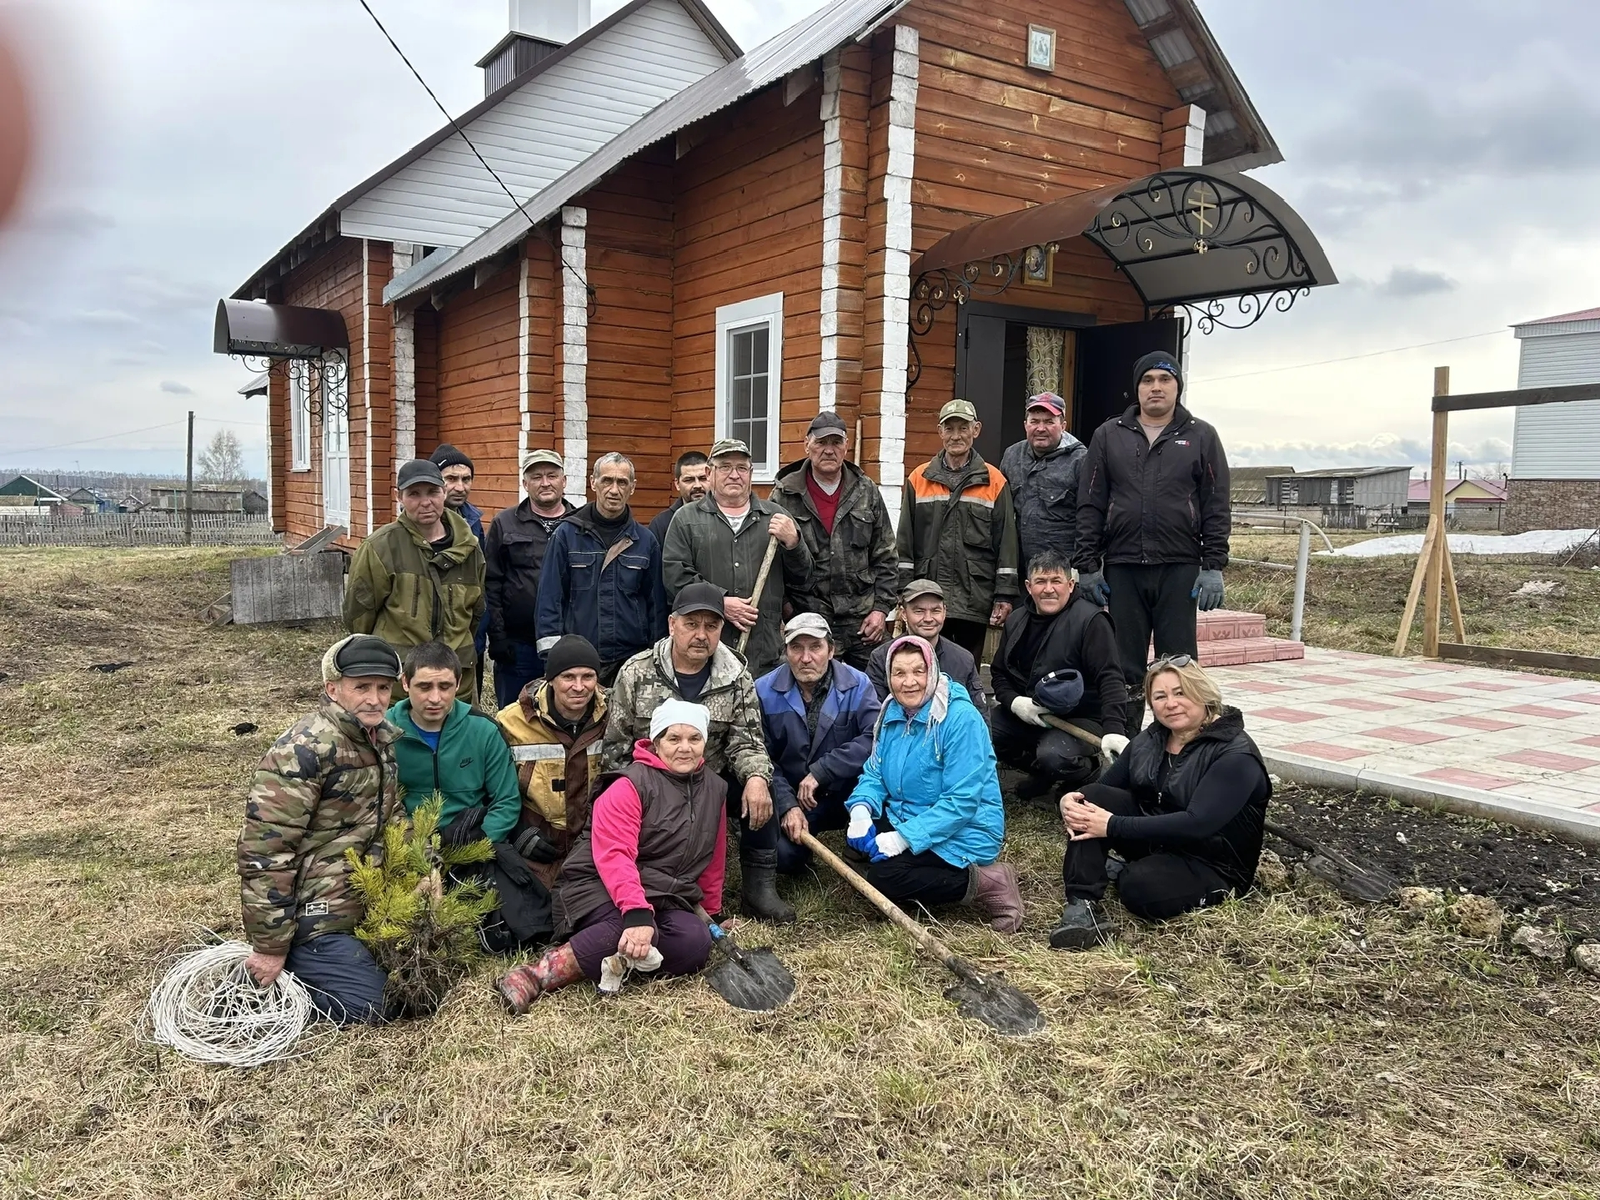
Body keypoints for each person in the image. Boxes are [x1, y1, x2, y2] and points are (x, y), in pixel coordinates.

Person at [498, 700, 727, 1012]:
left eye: (694, 739)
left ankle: (621, 960)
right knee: (628, 930)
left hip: (662, 893)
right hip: (595, 886)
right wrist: (637, 915)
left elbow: (713, 856)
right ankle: (536, 975)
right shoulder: (628, 785)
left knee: (695, 943)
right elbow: (615, 856)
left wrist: (712, 913)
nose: (684, 748)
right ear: (657, 742)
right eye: (674, 739)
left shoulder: (714, 788)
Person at [237, 635, 403, 1025]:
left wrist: (424, 868)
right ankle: (286, 983)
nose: (375, 699)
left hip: (365, 897)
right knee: (373, 1006)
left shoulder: (380, 740)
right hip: (316, 913)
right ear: (333, 689)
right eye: (361, 687)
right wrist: (270, 947)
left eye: (383, 688)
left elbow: (394, 815)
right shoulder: (302, 750)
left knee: (420, 984)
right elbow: (265, 851)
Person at [603, 582, 792, 923]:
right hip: (650, 785)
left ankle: (758, 890)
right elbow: (616, 748)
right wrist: (630, 793)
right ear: (672, 624)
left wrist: (754, 778)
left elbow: (747, 740)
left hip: (710, 781)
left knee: (763, 789)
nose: (701, 634)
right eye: (691, 624)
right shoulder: (636, 673)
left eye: (711, 625)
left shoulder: (736, 675)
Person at [1052, 657, 1270, 949]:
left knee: (1139, 889)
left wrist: (1113, 826)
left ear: (1204, 694)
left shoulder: (1235, 754)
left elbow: (1197, 823)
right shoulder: (1151, 739)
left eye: (1181, 692)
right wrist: (1072, 799)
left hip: (1212, 863)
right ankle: (1081, 907)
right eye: (1160, 696)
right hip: (1157, 840)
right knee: (1091, 799)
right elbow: (1102, 789)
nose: (1171, 703)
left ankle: (1122, 873)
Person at [1074, 352, 1231, 733]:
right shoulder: (1108, 435)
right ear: (1137, 387)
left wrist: (1213, 566)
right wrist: (1088, 566)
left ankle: (1182, 745)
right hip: (1123, 569)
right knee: (1124, 664)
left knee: (1178, 665)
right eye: (1148, 380)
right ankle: (1124, 746)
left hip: (1180, 569)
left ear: (1178, 386)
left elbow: (1216, 502)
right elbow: (1090, 502)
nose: (1156, 387)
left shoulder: (1201, 435)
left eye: (1165, 379)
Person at [845, 636, 1023, 932]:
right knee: (858, 848)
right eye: (899, 673)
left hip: (966, 827)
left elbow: (962, 802)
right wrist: (862, 809)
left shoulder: (959, 719)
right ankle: (914, 873)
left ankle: (989, 882)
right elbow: (875, 773)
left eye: (918, 671)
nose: (909, 682)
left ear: (934, 670)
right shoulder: (892, 711)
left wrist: (902, 838)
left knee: (883, 879)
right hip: (912, 813)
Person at [387, 640, 545, 951]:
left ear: (459, 684)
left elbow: (506, 800)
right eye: (424, 686)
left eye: (445, 686)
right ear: (405, 684)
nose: (436, 698)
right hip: (407, 841)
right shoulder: (385, 731)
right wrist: (417, 855)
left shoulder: (482, 730)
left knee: (514, 927)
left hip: (473, 840)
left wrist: (472, 848)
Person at [662, 438, 812, 678]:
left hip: (763, 653)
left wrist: (794, 543)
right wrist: (720, 602)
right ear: (709, 473)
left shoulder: (775, 517)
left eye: (741, 468)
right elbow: (675, 578)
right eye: (725, 467)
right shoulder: (686, 519)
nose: (734, 475)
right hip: (705, 653)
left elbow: (803, 578)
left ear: (751, 473)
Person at [343, 459, 486, 705]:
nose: (425, 502)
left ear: (443, 492)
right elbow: (359, 617)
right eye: (414, 494)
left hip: (456, 681)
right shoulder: (379, 547)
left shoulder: (470, 548)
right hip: (401, 683)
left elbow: (475, 612)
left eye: (432, 492)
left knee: (458, 741)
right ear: (399, 496)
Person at [990, 551, 1130, 799]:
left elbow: (1110, 679)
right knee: (981, 733)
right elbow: (999, 673)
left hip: (1081, 718)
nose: (1048, 589)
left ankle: (1085, 772)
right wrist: (1015, 702)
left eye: (1056, 581)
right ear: (1028, 586)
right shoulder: (1017, 620)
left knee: (1054, 756)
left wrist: (1114, 729)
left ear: (1070, 584)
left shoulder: (1091, 621)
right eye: (1041, 582)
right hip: (1032, 714)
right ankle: (1041, 775)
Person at [771, 411, 898, 669]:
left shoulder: (866, 490)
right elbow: (772, 564)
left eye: (836, 443)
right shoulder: (784, 495)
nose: (829, 450)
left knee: (877, 689)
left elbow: (886, 555)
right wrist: (786, 611)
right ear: (807, 445)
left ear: (846, 446)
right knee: (816, 695)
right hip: (809, 620)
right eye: (821, 442)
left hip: (863, 622)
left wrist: (881, 610)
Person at [757, 613, 881, 877]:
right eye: (796, 648)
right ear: (786, 651)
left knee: (881, 847)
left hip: (848, 791)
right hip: (795, 796)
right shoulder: (764, 691)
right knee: (783, 858)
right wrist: (787, 804)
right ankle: (801, 848)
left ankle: (857, 843)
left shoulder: (858, 685)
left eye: (815, 647)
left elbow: (875, 739)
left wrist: (822, 771)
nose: (805, 658)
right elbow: (763, 756)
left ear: (831, 650)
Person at [897, 399, 1020, 658]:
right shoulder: (918, 478)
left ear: (976, 430)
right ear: (940, 432)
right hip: (926, 596)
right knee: (923, 667)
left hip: (973, 597)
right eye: (949, 428)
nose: (956, 436)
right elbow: (904, 544)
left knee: (965, 669)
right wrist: (903, 593)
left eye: (963, 428)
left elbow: (1006, 543)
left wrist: (1004, 595)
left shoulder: (995, 481)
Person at [535, 452, 666, 685]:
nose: (614, 490)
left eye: (622, 482)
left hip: (631, 661)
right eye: (607, 480)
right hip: (578, 662)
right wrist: (553, 661)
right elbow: (549, 601)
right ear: (593, 482)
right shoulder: (566, 535)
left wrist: (655, 660)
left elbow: (656, 609)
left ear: (632, 487)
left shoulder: (645, 542)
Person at [494, 634, 610, 896]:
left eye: (588, 677)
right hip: (535, 844)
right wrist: (518, 833)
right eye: (568, 677)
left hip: (595, 845)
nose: (579, 687)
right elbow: (493, 792)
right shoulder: (511, 723)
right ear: (551, 679)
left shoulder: (613, 716)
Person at [486, 449, 576, 709]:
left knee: (563, 712)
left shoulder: (580, 524)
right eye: (536, 477)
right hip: (518, 646)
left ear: (564, 481)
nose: (545, 482)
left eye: (552, 475)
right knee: (515, 715)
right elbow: (491, 583)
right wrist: (499, 637)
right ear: (525, 484)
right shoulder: (505, 524)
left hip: (568, 642)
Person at [866, 579, 987, 716]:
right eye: (919, 611)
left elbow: (980, 716)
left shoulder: (963, 660)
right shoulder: (882, 657)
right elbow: (873, 715)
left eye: (935, 610)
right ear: (904, 614)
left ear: (944, 612)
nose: (928, 618)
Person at [1000, 392, 1087, 578]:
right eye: (1035, 421)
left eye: (1049, 421)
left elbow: (1091, 521)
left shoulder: (1081, 461)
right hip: (1021, 571)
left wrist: (1085, 572)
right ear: (1025, 425)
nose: (1041, 428)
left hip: (1062, 574)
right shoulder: (1012, 456)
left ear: (1063, 426)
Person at [431, 443, 489, 691]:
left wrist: (480, 634)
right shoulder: (420, 523)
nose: (460, 487)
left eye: (466, 479)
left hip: (468, 635)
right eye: (451, 479)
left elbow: (481, 582)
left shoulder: (475, 523)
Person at [648, 451, 710, 553]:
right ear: (677, 484)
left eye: (703, 478)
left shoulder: (724, 518)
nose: (697, 485)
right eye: (689, 480)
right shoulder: (661, 524)